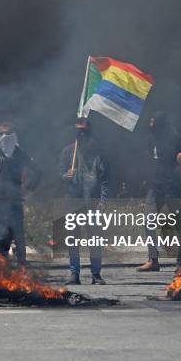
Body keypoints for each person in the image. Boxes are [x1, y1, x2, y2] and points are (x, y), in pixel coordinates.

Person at [59, 118, 108, 285]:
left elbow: (105, 180)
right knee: (73, 239)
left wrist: (103, 200)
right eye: (79, 131)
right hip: (73, 201)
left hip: (93, 203)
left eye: (85, 131)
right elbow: (60, 175)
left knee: (95, 239)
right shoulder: (67, 152)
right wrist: (67, 176)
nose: (82, 135)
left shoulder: (98, 153)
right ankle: (74, 273)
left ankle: (96, 274)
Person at [137, 112, 181, 272]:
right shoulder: (151, 140)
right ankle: (153, 259)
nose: (151, 125)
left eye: (153, 122)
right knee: (148, 221)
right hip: (155, 186)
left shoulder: (175, 138)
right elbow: (150, 160)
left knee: (178, 223)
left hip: (172, 186)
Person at [0, 120, 40, 267]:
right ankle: (0, 270)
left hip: (15, 201)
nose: (5, 137)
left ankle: (22, 268)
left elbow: (38, 172)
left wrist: (29, 190)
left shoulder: (19, 153)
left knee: (18, 236)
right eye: (2, 134)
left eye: (8, 134)